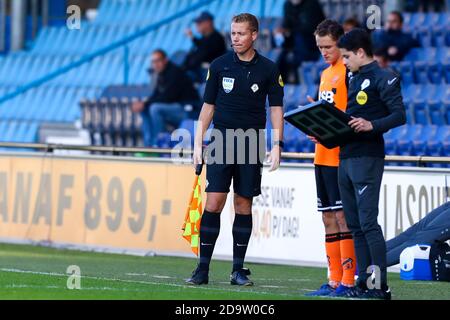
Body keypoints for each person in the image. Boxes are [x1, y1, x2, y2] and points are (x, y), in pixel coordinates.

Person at [186, 13, 284, 286]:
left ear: (254, 35)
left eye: (241, 34)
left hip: (251, 141)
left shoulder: (269, 68)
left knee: (243, 204)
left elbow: (276, 108)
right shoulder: (219, 66)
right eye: (233, 33)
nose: (235, 38)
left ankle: (237, 270)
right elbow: (208, 107)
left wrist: (277, 144)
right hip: (221, 140)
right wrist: (198, 142)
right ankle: (202, 269)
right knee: (214, 201)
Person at [337, 28, 406, 299]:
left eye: (345, 56)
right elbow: (353, 115)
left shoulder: (384, 77)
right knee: (354, 224)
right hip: (346, 155)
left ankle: (380, 287)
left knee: (368, 223)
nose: (343, 62)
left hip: (367, 157)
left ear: (360, 53)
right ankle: (364, 283)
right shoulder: (353, 77)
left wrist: (372, 125)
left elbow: (399, 115)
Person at [304, 20, 357, 298]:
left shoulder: (349, 73)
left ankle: (349, 280)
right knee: (327, 218)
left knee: (342, 216)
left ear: (341, 43)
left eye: (328, 47)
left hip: (340, 157)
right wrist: (315, 125)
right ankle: (333, 279)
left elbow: (351, 116)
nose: (324, 52)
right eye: (320, 47)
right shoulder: (326, 74)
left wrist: (328, 128)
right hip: (321, 156)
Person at [131, 49, 200, 147]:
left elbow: (168, 96)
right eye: (153, 62)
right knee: (145, 109)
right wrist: (143, 104)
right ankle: (148, 145)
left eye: (158, 60)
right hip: (174, 108)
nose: (156, 64)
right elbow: (156, 95)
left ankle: (159, 144)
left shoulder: (175, 72)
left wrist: (145, 103)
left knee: (155, 108)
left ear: (165, 60)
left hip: (188, 111)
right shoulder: (161, 74)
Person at [275, 0, 325, 84]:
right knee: (281, 54)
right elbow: (287, 24)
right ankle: (279, 85)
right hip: (294, 42)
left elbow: (311, 28)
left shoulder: (312, 4)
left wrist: (290, 31)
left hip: (312, 42)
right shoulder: (287, 5)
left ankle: (299, 81)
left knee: (300, 39)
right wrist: (282, 31)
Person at [183, 11, 227, 83]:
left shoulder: (217, 38)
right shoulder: (204, 38)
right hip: (199, 72)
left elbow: (203, 54)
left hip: (209, 74)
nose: (197, 25)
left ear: (208, 23)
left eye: (199, 23)